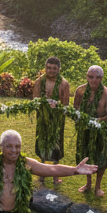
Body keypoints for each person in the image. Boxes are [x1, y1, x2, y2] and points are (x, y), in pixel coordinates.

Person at [72, 65, 107, 198]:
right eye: (91, 77)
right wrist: (81, 119)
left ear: (101, 78)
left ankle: (98, 186)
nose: (93, 80)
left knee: (100, 158)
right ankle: (88, 183)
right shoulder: (80, 90)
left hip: (100, 131)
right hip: (84, 130)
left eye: (97, 77)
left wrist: (96, 121)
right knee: (86, 155)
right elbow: (75, 108)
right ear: (87, 77)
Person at [31, 56, 70, 188]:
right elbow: (35, 100)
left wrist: (57, 104)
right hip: (43, 119)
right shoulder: (39, 81)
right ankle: (41, 174)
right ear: (45, 67)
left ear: (59, 69)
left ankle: (55, 176)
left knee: (56, 146)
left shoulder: (64, 83)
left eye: (54, 68)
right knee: (42, 143)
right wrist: (44, 101)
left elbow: (66, 104)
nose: (51, 70)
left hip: (57, 120)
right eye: (49, 68)